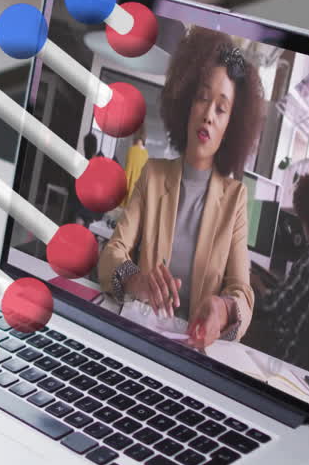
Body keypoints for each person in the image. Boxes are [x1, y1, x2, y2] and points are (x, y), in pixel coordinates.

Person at [97, 27, 265, 351]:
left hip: (194, 354)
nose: (208, 116)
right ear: (187, 103)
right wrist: (134, 280)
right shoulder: (153, 175)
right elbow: (112, 254)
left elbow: (242, 293)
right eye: (202, 98)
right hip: (140, 338)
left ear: (232, 124)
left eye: (221, 108)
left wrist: (224, 308)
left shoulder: (235, 199)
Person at [247, 170, 309, 367]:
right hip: (300, 354)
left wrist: (257, 283)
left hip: (281, 353)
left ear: (305, 213)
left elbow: (272, 307)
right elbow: (295, 298)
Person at [121, 126, 149, 208]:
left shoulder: (131, 151)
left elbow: (127, 176)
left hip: (129, 197)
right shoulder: (146, 155)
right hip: (138, 199)